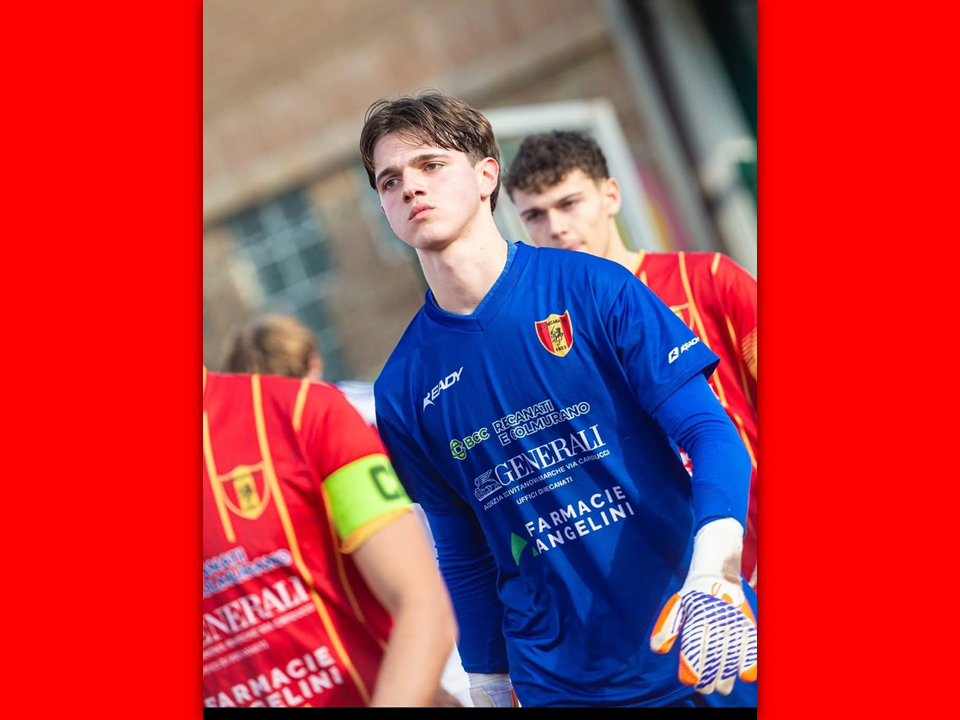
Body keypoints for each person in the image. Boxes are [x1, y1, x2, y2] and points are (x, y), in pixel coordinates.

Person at [358, 90, 757, 708]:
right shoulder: (402, 386)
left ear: (486, 175)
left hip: (700, 636)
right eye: (390, 180)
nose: (410, 187)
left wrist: (716, 566)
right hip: (559, 684)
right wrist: (488, 682)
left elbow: (709, 432)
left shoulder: (594, 286)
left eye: (430, 165)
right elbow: (460, 546)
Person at [503, 130, 758, 590]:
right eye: (535, 215)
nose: (556, 227)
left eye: (569, 203)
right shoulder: (543, 337)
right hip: (658, 581)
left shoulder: (708, 279)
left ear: (611, 196)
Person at [218, 313, 473, 707]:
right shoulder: (367, 403)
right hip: (440, 605)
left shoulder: (261, 438)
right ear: (314, 362)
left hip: (391, 632)